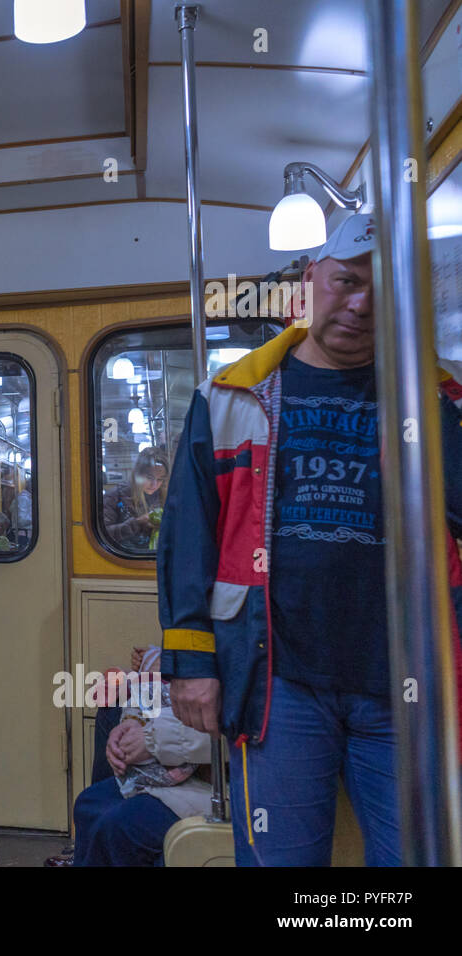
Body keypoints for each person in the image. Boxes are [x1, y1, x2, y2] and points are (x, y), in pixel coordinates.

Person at [159, 214, 462, 866]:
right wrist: (191, 663)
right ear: (309, 280)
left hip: (406, 678)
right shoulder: (230, 398)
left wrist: (422, 384)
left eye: (382, 295)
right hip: (279, 682)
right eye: (347, 282)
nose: (360, 306)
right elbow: (188, 542)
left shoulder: (437, 396)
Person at [70, 647, 212, 866]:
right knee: (88, 804)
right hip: (179, 767)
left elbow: (224, 723)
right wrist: (131, 723)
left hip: (218, 784)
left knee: (119, 827)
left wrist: (151, 738)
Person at [102, 446, 169, 551]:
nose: (154, 484)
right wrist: (136, 523)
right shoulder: (114, 496)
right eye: (149, 477)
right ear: (138, 474)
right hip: (123, 559)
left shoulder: (165, 497)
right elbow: (103, 535)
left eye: (160, 479)